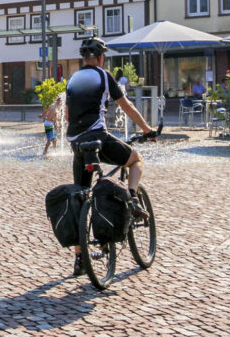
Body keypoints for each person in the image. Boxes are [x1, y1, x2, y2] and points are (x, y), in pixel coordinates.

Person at [63, 37, 161, 278]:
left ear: (82, 58)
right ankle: (133, 198)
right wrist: (147, 130)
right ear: (100, 57)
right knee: (136, 160)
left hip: (76, 143)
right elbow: (126, 106)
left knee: (80, 195)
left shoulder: (73, 79)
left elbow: (67, 115)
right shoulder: (103, 75)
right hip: (98, 137)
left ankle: (79, 259)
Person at [40, 90, 60, 157]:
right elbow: (47, 111)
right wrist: (42, 115)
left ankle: (54, 151)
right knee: (50, 139)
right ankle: (45, 151)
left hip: (51, 124)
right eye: (60, 101)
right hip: (48, 124)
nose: (61, 103)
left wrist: (57, 123)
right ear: (58, 101)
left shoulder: (57, 107)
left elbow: (49, 112)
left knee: (54, 139)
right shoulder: (53, 106)